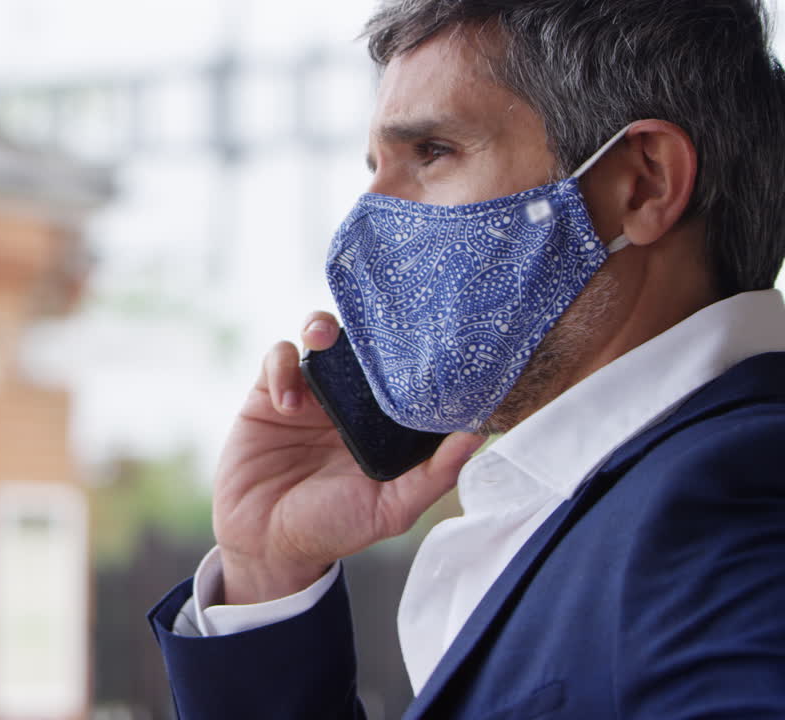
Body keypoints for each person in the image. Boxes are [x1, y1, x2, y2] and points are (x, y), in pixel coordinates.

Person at [148, 0, 785, 717]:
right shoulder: (619, 495)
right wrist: (269, 573)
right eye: (377, 167)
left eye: (432, 152)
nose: (366, 227)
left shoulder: (736, 505)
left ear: (642, 181)